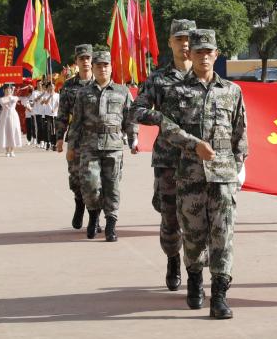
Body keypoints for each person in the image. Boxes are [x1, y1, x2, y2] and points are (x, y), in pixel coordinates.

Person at [150, 29, 248, 320]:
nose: (204, 57)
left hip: (223, 177)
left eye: (208, 52)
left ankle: (219, 295)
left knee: (223, 235)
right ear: (190, 55)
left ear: (216, 55)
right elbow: (168, 130)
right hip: (190, 176)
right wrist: (194, 145)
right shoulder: (177, 92)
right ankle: (194, 278)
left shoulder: (231, 91)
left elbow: (240, 133)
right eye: (198, 52)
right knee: (193, 236)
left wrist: (237, 167)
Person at [132, 18, 196, 292]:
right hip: (168, 160)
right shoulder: (158, 79)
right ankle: (172, 258)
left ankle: (195, 272)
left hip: (199, 160)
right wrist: (160, 118)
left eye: (189, 39)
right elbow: (136, 110)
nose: (185, 44)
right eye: (179, 39)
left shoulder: (206, 77)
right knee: (170, 217)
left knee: (198, 218)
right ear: (170, 42)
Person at [64, 51, 138, 241]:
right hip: (89, 146)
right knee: (90, 184)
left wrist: (133, 139)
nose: (102, 69)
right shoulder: (83, 93)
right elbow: (76, 122)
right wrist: (71, 146)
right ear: (93, 68)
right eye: (98, 65)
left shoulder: (122, 91)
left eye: (106, 65)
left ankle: (111, 225)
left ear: (111, 68)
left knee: (112, 185)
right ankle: (93, 215)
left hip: (113, 146)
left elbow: (130, 118)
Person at [55, 45, 96, 230]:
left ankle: (95, 217)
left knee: (96, 179)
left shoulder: (101, 82)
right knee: (76, 177)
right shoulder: (69, 86)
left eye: (88, 58)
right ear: (76, 62)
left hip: (97, 139)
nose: (85, 61)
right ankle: (79, 204)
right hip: (76, 139)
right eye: (82, 58)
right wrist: (59, 137)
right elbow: (62, 113)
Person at [0, 84, 24, 157]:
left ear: (12, 90)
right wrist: (9, 99)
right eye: (7, 89)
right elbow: (4, 103)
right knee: (5, 132)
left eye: (10, 89)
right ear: (4, 90)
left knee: (13, 131)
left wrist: (11, 97)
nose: (8, 90)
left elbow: (15, 99)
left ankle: (12, 150)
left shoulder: (15, 97)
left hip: (13, 115)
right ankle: (7, 151)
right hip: (5, 116)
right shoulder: (1, 99)